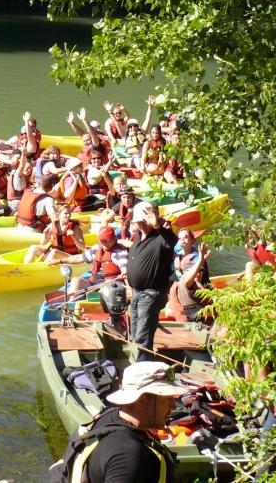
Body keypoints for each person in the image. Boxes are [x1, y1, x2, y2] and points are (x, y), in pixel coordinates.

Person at [51, 362, 182, 482]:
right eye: (167, 399)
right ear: (142, 400)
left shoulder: (109, 415)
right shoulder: (128, 455)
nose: (174, 406)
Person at [125, 201, 178, 361]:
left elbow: (172, 242)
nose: (139, 224)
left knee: (142, 336)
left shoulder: (162, 237)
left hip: (151, 294)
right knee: (135, 333)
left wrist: (158, 226)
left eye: (142, 221)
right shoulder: (138, 238)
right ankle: (139, 363)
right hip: (136, 293)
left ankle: (141, 367)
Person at [172, 234, 213, 324]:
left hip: (195, 296)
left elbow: (193, 279)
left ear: (192, 240)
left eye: (185, 237)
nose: (182, 239)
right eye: (180, 238)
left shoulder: (194, 257)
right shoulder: (178, 255)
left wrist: (201, 259)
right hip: (189, 301)